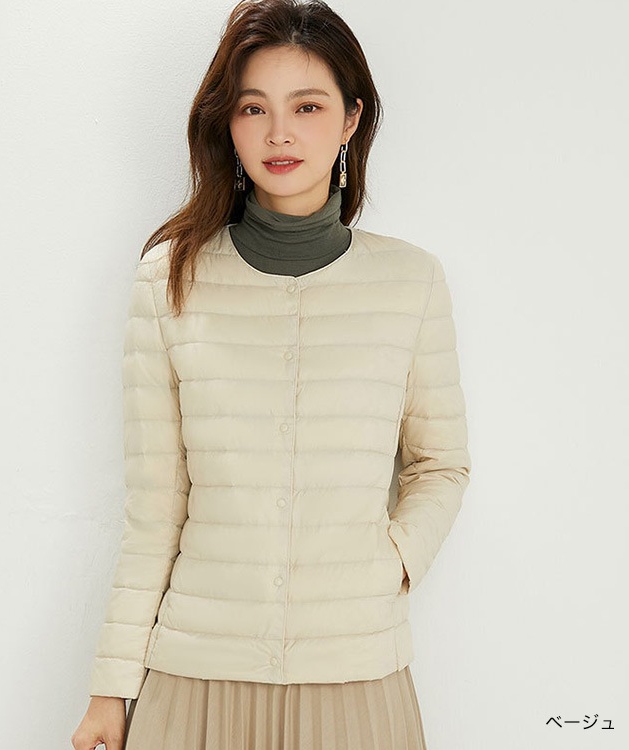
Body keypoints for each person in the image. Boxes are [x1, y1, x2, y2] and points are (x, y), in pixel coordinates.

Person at [72, 1, 471, 748]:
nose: (278, 133)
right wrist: (109, 688)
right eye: (254, 107)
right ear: (227, 123)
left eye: (307, 106)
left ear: (351, 119)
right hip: (196, 677)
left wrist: (389, 565)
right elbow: (155, 506)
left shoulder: (411, 282)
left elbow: (440, 464)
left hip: (357, 674)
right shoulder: (169, 280)